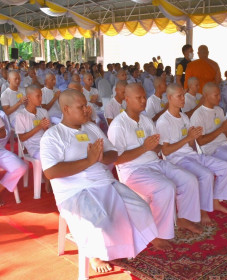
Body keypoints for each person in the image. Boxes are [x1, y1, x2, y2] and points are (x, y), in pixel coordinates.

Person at [40, 89, 158, 273]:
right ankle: (95, 254)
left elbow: (113, 154)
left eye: (86, 105)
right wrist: (88, 160)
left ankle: (124, 246)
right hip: (76, 191)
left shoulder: (91, 128)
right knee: (101, 221)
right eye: (81, 107)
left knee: (140, 208)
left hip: (105, 182)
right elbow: (50, 172)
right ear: (66, 109)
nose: (87, 110)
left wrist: (101, 156)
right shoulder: (53, 135)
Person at [108, 83, 203, 251]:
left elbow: (157, 148)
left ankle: (183, 218)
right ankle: (156, 234)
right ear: (127, 99)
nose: (144, 100)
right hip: (133, 170)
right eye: (139, 98)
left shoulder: (146, 120)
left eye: (144, 96)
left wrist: (158, 146)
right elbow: (116, 160)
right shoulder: (118, 125)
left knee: (189, 179)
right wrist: (144, 147)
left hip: (155, 162)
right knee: (166, 187)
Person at [156, 84, 227, 224]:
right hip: (177, 159)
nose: (183, 99)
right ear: (169, 98)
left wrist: (193, 138)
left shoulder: (184, 117)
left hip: (192, 155)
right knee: (206, 174)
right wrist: (188, 138)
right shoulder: (164, 121)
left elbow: (191, 143)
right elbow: (165, 151)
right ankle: (202, 211)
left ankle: (215, 201)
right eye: (179, 96)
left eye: (183, 95)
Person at [15, 85, 50, 160]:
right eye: (38, 96)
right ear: (29, 97)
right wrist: (39, 127)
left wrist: (45, 128)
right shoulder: (21, 115)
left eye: (41, 96)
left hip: (47, 143)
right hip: (34, 147)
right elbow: (22, 138)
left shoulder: (43, 112)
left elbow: (48, 132)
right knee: (49, 158)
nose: (41, 99)